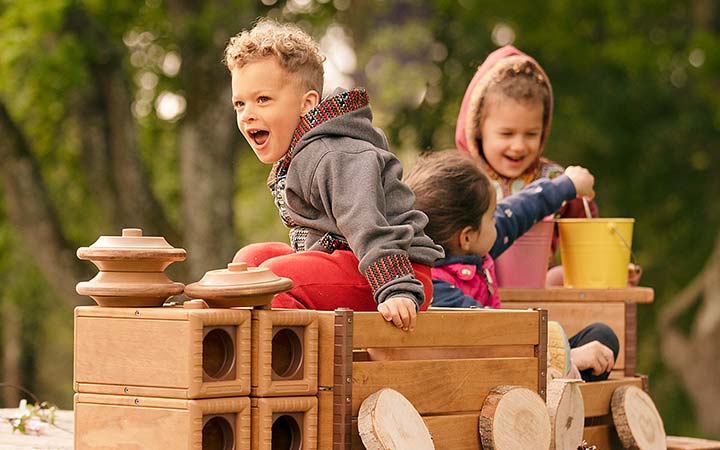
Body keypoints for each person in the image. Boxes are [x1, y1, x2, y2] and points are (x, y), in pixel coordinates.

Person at [223, 19, 443, 332]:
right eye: (239, 104)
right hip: (351, 263)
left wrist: (396, 288)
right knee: (252, 262)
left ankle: (289, 373)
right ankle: (233, 340)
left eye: (263, 100)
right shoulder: (299, 152)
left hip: (394, 272)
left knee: (276, 280)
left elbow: (365, 221)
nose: (247, 114)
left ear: (307, 104)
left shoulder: (333, 154)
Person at [404, 150, 618, 381]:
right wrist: (564, 356)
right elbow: (498, 335)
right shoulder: (431, 287)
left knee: (601, 337)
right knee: (566, 352)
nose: (499, 221)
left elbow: (518, 212)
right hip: (477, 377)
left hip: (512, 355)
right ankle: (561, 375)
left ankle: (562, 374)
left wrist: (567, 185)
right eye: (492, 217)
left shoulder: (472, 249)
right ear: (466, 237)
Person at [454, 45, 641, 286]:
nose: (519, 146)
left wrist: (607, 265)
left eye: (531, 134)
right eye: (507, 133)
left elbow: (585, 234)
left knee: (561, 279)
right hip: (474, 289)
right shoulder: (462, 179)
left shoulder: (554, 179)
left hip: (536, 292)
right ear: (478, 129)